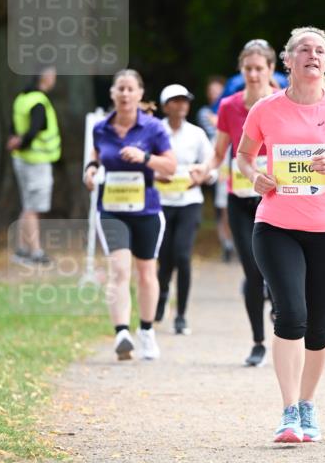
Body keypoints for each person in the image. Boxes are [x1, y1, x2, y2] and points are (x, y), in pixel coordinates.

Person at [237, 26, 325, 443]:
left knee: (318, 325)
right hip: (276, 225)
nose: (313, 55)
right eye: (305, 50)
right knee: (290, 314)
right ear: (288, 60)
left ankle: (309, 405)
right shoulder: (265, 109)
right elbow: (243, 156)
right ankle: (288, 410)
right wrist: (255, 176)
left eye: (320, 51)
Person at [84, 69, 176, 361]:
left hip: (146, 209)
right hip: (111, 209)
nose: (124, 94)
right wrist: (90, 170)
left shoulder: (154, 128)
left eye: (130, 89)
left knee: (147, 272)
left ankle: (146, 330)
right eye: (119, 89)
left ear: (139, 94)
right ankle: (122, 332)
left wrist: (146, 158)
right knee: (119, 270)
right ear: (112, 94)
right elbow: (96, 156)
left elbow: (171, 168)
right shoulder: (101, 128)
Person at [210, 40, 278, 366]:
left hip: (278, 198)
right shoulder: (228, 106)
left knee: (276, 267)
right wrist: (204, 170)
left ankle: (280, 310)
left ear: (271, 69)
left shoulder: (284, 102)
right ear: (241, 70)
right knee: (252, 272)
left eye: (259, 69)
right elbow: (219, 151)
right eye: (248, 69)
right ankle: (258, 342)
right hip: (240, 198)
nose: (253, 74)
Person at [155, 84, 217, 335]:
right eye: (175, 101)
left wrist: (201, 177)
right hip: (160, 202)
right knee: (164, 258)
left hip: (189, 200)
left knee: (182, 254)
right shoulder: (155, 131)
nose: (181, 105)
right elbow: (145, 165)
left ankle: (181, 314)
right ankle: (160, 296)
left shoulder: (197, 134)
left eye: (185, 101)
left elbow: (212, 168)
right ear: (165, 105)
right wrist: (155, 176)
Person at [7, 64, 61, 264]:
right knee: (33, 208)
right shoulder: (39, 101)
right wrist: (23, 142)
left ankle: (21, 250)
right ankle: (35, 252)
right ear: (45, 78)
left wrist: (15, 140)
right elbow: (34, 129)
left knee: (27, 205)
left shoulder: (22, 98)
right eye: (53, 76)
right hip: (36, 162)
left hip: (21, 160)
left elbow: (14, 125)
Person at [197, 75, 234, 263]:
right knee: (223, 206)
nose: (214, 96)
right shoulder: (204, 112)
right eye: (211, 93)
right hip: (218, 158)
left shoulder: (233, 108)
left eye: (217, 93)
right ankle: (226, 243)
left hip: (235, 158)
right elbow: (215, 133)